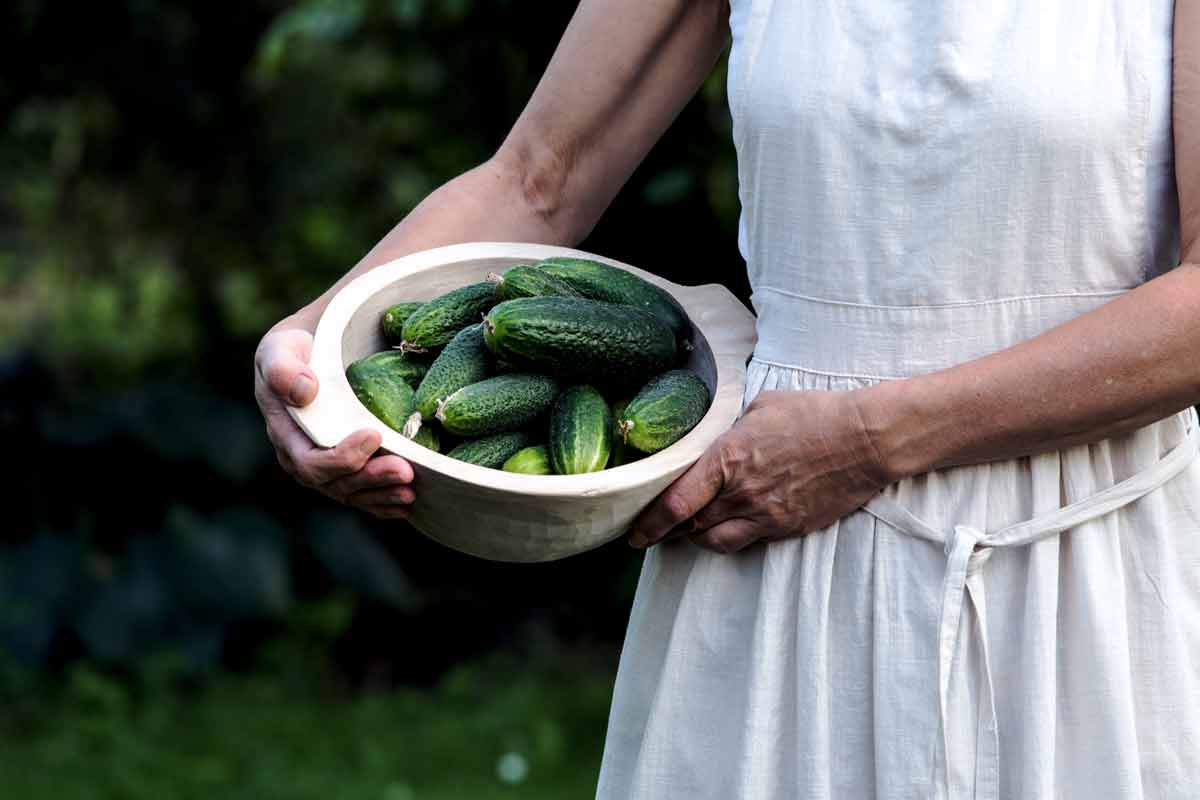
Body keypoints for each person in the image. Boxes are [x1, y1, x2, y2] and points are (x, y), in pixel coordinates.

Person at [255, 1, 1200, 796]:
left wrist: (875, 438)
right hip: (774, 549)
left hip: (1085, 572)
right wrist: (311, 349)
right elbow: (539, 178)